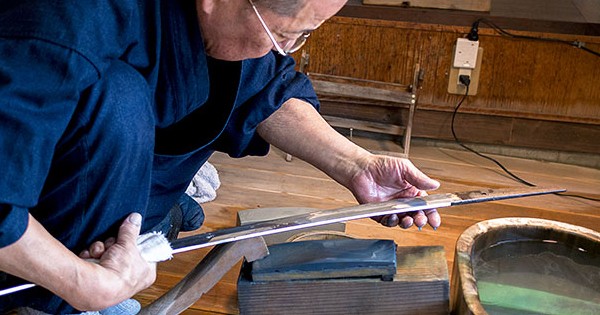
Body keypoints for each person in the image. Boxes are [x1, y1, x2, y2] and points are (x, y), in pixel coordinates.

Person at [0, 0, 440, 313]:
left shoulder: (227, 21)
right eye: (287, 35)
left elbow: (265, 89)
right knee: (121, 97)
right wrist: (82, 285)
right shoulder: (63, 23)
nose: (283, 51)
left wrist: (359, 166)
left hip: (124, 213)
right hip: (27, 252)